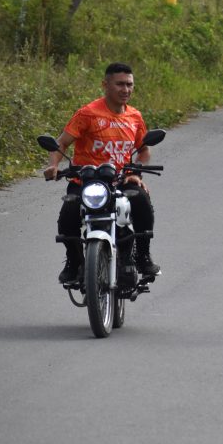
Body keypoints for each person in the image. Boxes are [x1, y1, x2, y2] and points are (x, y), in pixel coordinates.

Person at [44, 63, 160, 283]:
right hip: (86, 180)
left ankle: (142, 256)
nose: (125, 89)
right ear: (105, 85)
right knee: (69, 212)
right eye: (120, 84)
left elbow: (144, 149)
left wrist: (136, 173)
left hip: (121, 179)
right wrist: (54, 166)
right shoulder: (88, 114)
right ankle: (74, 261)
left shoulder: (135, 116)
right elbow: (61, 143)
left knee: (142, 200)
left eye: (129, 85)